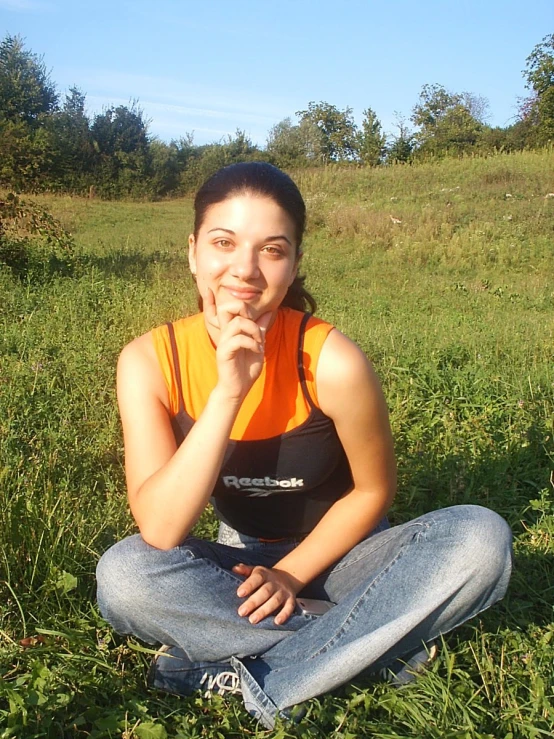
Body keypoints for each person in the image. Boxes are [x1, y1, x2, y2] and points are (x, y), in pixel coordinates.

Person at [96, 162, 513, 730]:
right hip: (238, 566)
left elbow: (373, 491)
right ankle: (374, 645)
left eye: (272, 249)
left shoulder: (332, 360)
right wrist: (228, 394)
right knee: (124, 577)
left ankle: (247, 673)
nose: (244, 270)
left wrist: (291, 575)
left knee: (481, 539)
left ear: (293, 264)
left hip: (350, 558)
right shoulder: (150, 361)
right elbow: (162, 528)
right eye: (224, 243)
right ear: (193, 251)